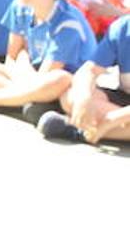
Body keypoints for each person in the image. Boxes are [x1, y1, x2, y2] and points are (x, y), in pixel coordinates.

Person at [38, 13, 130, 143]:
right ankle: (102, 128)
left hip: (119, 115)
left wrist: (111, 120)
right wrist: (84, 97)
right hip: (125, 100)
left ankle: (77, 130)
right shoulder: (123, 27)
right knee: (71, 95)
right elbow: (89, 70)